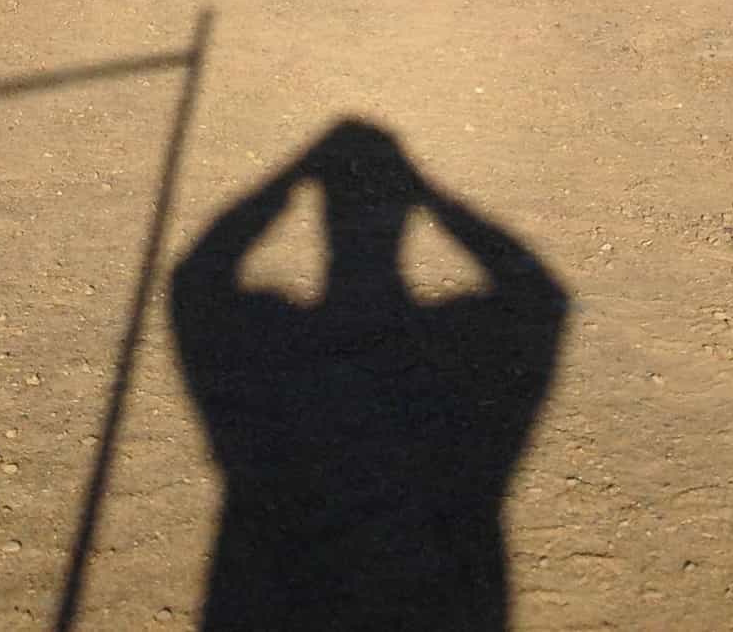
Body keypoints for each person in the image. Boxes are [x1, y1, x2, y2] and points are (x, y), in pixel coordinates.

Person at [171, 120, 566, 631]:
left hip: (272, 595)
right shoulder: (453, 367)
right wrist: (429, 197)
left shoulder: (274, 376)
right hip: (443, 598)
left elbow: (194, 282)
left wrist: (293, 180)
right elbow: (541, 297)